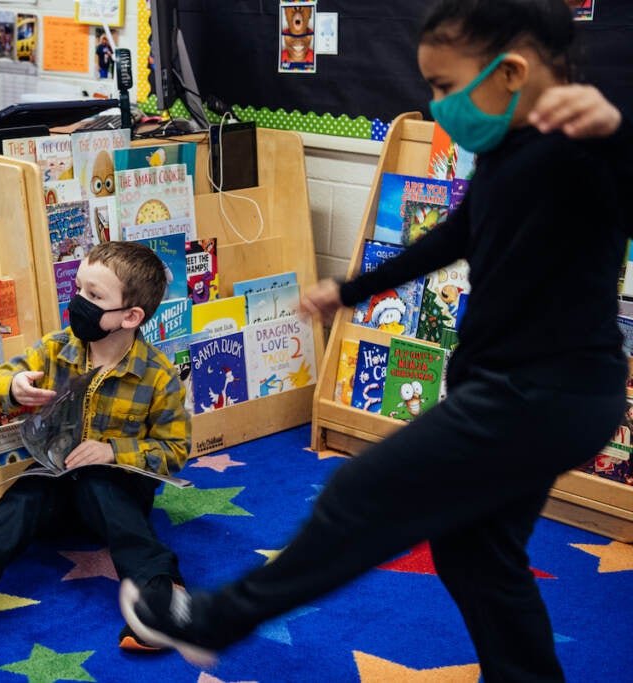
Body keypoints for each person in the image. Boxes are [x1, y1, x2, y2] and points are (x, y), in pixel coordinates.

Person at [120, 1, 631, 678]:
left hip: (539, 395)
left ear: (511, 73)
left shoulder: (584, 155)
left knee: (360, 493)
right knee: (475, 550)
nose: (436, 104)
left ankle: (215, 619)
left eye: (447, 87)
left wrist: (617, 127)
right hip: (527, 392)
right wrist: (350, 290)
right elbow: (454, 235)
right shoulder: (510, 152)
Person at [0, 240, 190, 652]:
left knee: (100, 486)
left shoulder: (159, 376)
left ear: (131, 316)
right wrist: (12, 388)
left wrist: (112, 452)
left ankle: (161, 593)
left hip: (115, 496)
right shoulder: (55, 348)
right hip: (53, 489)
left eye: (94, 295)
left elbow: (175, 450)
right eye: (79, 289)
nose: (79, 302)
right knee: (25, 492)